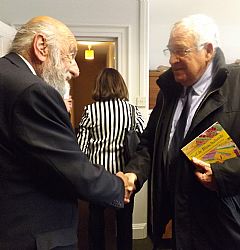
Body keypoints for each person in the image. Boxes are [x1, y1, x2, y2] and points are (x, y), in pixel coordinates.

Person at [0, 16, 130, 250]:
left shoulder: (6, 75)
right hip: (32, 234)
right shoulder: (33, 90)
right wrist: (120, 186)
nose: (76, 70)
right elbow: (70, 166)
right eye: (70, 55)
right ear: (41, 47)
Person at [124, 14, 240, 249]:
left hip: (221, 227)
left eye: (181, 51)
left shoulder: (236, 87)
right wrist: (133, 174)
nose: (172, 59)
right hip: (172, 223)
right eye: (170, 50)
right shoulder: (168, 90)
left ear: (208, 50)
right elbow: (149, 142)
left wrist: (223, 174)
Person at [77, 68, 144, 250]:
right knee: (124, 223)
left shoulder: (90, 111)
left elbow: (81, 147)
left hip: (98, 177)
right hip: (124, 177)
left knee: (96, 221)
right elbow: (144, 139)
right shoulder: (131, 110)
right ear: (120, 85)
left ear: (99, 86)